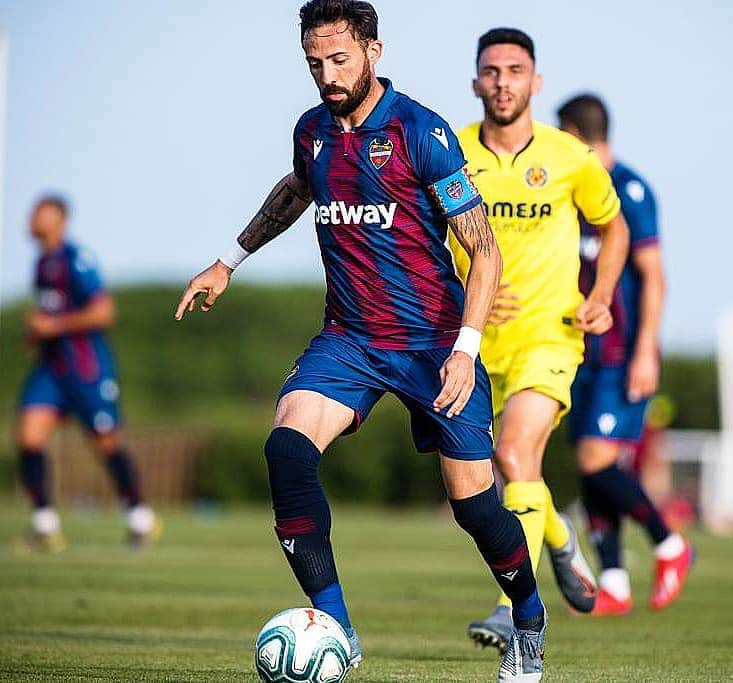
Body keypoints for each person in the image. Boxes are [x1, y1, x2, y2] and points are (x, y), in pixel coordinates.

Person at [175, 2, 546, 680]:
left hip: (433, 344)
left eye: (339, 59)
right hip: (348, 337)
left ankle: (528, 618)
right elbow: (297, 190)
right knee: (285, 449)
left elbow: (484, 251)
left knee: (476, 507)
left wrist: (464, 348)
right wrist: (228, 259)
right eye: (315, 62)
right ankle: (337, 628)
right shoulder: (312, 131)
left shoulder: (420, 131)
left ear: (374, 51)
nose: (327, 74)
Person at [450, 28, 630, 651]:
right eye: (492, 71)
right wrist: (463, 290)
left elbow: (614, 228)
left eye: (515, 70)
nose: (503, 81)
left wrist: (601, 294)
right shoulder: (448, 152)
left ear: (536, 82)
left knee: (512, 456)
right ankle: (558, 538)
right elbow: (421, 240)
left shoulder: (568, 157)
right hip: (472, 345)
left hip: (549, 338)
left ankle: (510, 607)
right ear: (476, 82)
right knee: (505, 474)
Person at [557, 94, 692, 615]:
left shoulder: (630, 191)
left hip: (621, 352)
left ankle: (670, 544)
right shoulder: (573, 188)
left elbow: (655, 277)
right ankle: (614, 581)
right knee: (592, 464)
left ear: (572, 132)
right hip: (580, 349)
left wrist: (645, 353)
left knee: (596, 457)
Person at [16, 194, 160, 551]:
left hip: (86, 368)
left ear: (59, 219)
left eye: (40, 213)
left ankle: (140, 518)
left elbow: (103, 312)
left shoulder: (75, 258)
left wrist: (52, 326)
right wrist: (37, 333)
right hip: (52, 369)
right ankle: (45, 525)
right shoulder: (41, 263)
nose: (32, 218)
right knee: (29, 435)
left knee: (106, 442)